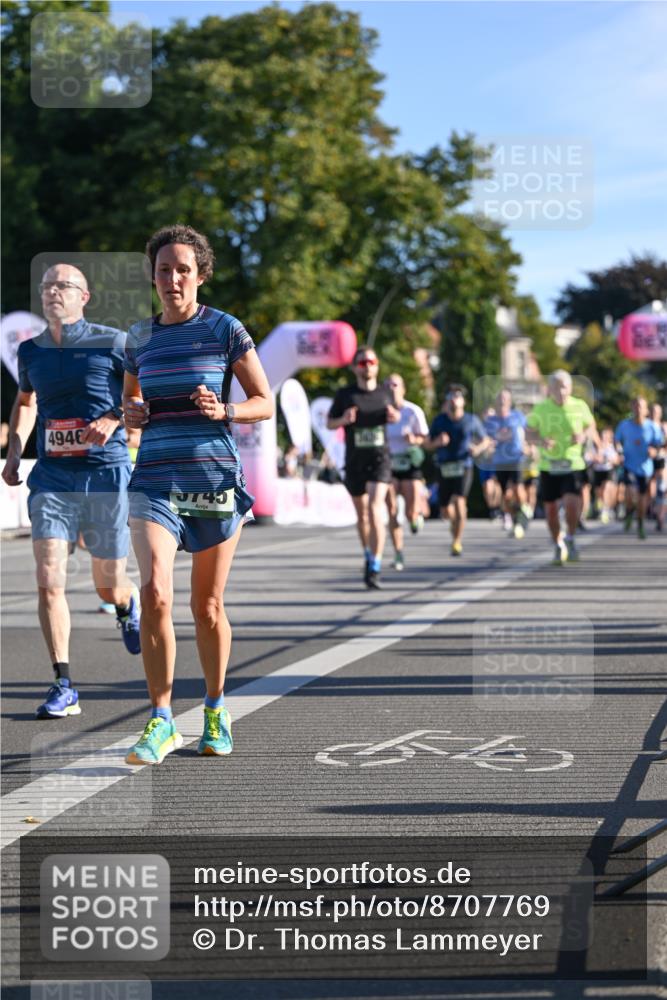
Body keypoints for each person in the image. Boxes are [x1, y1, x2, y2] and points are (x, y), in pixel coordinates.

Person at [123, 225, 272, 765]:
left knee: (206, 606)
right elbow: (131, 407)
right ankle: (161, 719)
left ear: (200, 275)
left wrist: (226, 411)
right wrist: (131, 417)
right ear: (154, 277)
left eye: (183, 269)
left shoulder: (225, 330)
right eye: (163, 269)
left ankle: (214, 707)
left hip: (210, 481)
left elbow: (264, 400)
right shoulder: (139, 337)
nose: (172, 278)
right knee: (155, 593)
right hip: (156, 480)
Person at [1, 263, 140, 718]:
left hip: (104, 474)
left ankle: (126, 603)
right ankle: (63, 683)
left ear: (85, 295)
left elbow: (142, 397)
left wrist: (114, 418)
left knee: (106, 585)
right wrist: (16, 449)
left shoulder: (113, 342)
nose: (52, 291)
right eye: (46, 285)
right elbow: (25, 402)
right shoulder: (31, 351)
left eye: (63, 285)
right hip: (53, 480)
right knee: (48, 579)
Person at [327, 346, 399, 589]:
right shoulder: (346, 394)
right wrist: (343, 420)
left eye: (371, 361)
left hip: (380, 460)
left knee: (376, 507)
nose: (367, 365)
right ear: (354, 367)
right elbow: (329, 423)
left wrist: (393, 416)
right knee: (363, 515)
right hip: (355, 460)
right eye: (362, 362)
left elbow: (397, 415)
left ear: (377, 365)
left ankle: (376, 565)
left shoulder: (386, 392)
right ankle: (368, 553)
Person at [526, 370, 596, 565]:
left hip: (573, 464)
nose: (560, 391)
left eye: (564, 386)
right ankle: (558, 544)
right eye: (556, 386)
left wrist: (583, 436)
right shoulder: (541, 409)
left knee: (572, 504)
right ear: (550, 389)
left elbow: (591, 426)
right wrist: (540, 440)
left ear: (570, 388)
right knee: (550, 511)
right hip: (549, 466)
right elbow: (528, 433)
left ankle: (571, 538)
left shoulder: (579, 406)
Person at [425, 385, 491, 557]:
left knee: (460, 501)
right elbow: (427, 444)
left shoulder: (471, 420)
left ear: (463, 401)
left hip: (464, 465)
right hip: (444, 466)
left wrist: (477, 449)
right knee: (445, 510)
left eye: (458, 396)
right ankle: (453, 523)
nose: (454, 398)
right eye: (451, 395)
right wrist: (437, 442)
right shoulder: (439, 421)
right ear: (447, 400)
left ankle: (457, 541)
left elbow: (485, 440)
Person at [383, 373, 429, 570]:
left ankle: (416, 516)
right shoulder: (380, 412)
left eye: (395, 384)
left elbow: (425, 439)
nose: (392, 388)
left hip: (409, 463)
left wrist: (414, 440)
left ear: (403, 389)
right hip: (389, 463)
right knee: (392, 510)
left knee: (410, 512)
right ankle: (398, 552)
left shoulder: (413, 411)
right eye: (388, 385)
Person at [483, 388, 532, 539]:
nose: (502, 401)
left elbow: (528, 432)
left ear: (510, 402)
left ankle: (525, 509)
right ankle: (518, 518)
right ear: (496, 402)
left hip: (516, 458)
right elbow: (485, 439)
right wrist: (487, 447)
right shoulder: (490, 421)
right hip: (499, 460)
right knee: (506, 496)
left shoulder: (518, 416)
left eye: (505, 398)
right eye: (499, 398)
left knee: (517, 488)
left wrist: (529, 446)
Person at [615, 397, 664, 540]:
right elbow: (617, 441)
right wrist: (619, 452)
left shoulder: (652, 427)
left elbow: (659, 444)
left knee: (642, 499)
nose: (638, 409)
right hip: (629, 465)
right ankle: (629, 511)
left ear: (646, 410)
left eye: (641, 406)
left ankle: (640, 523)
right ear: (631, 407)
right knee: (630, 493)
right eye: (635, 406)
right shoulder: (624, 425)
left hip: (645, 468)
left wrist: (654, 451)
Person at [591, 427, 619, 524]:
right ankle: (601, 505)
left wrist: (609, 460)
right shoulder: (595, 446)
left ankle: (605, 511)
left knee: (606, 489)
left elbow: (616, 460)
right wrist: (596, 458)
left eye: (606, 435)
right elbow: (589, 457)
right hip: (597, 470)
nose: (604, 437)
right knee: (599, 492)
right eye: (602, 435)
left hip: (608, 470)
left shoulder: (612, 447)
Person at [648, 403, 667, 532]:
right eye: (653, 411)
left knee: (663, 488)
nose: (655, 413)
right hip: (646, 460)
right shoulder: (645, 426)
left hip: (662, 459)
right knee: (651, 488)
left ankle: (660, 517)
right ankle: (653, 506)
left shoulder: (664, 426)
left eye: (657, 411)